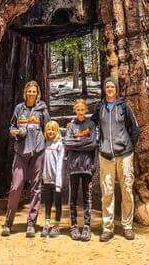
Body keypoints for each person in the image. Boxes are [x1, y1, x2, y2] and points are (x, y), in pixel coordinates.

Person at [92, 77, 140, 242]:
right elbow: (91, 125)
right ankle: (107, 228)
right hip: (105, 155)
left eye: (112, 86)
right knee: (107, 192)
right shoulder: (99, 107)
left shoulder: (124, 107)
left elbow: (135, 129)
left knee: (126, 190)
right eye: (107, 86)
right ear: (104, 89)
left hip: (124, 155)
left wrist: (129, 147)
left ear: (116, 89)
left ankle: (127, 226)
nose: (110, 89)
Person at [2, 80, 51, 237]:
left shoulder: (42, 109)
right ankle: (8, 223)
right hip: (21, 152)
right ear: (25, 92)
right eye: (29, 91)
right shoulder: (19, 108)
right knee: (16, 186)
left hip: (37, 151)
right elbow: (12, 126)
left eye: (34, 91)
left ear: (37, 93)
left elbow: (48, 127)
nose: (31, 94)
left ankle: (31, 223)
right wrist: (14, 131)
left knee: (36, 188)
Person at [64, 98, 98, 241]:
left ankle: (87, 226)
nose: (80, 112)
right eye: (78, 110)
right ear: (75, 110)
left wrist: (76, 142)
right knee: (72, 198)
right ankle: (73, 226)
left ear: (86, 110)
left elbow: (93, 144)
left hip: (87, 166)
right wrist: (83, 142)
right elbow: (66, 143)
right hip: (73, 166)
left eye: (82, 110)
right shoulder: (71, 125)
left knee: (87, 197)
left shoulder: (90, 124)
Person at [40, 121, 64, 238]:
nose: (50, 131)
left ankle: (56, 225)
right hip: (47, 180)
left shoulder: (59, 144)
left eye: (53, 129)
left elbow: (60, 163)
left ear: (57, 131)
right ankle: (47, 224)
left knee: (57, 203)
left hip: (56, 180)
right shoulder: (45, 144)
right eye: (48, 129)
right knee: (48, 202)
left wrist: (59, 181)